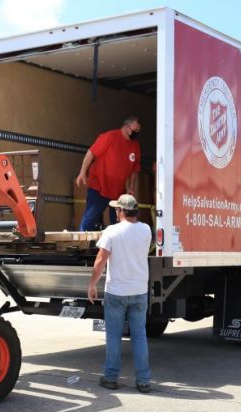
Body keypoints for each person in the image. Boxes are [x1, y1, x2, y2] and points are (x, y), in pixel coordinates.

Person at [87, 194, 152, 393]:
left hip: (116, 292)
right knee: (139, 335)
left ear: (121, 211)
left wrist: (92, 284)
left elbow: (100, 261)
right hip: (139, 291)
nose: (115, 212)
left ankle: (111, 377)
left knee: (114, 336)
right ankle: (143, 380)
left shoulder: (112, 231)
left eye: (117, 209)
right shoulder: (146, 230)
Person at [75, 117, 142, 231]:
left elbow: (135, 169)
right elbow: (91, 153)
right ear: (126, 127)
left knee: (117, 225)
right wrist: (82, 173)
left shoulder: (135, 146)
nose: (135, 134)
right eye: (134, 130)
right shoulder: (109, 137)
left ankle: (115, 248)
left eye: (138, 132)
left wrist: (131, 187)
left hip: (117, 192)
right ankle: (83, 247)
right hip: (98, 187)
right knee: (90, 219)